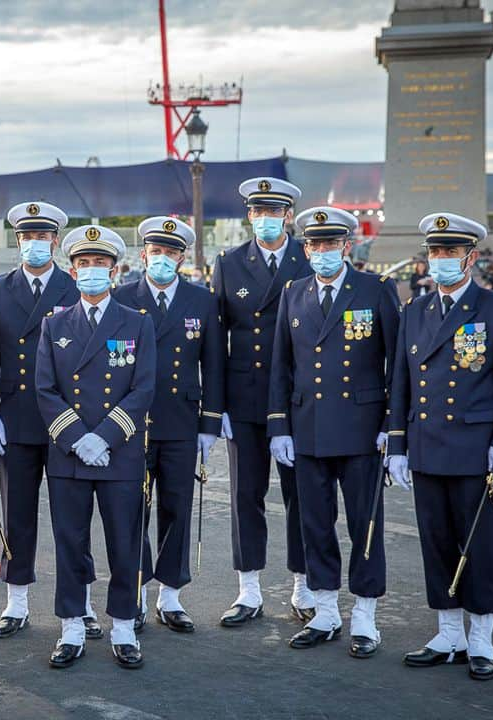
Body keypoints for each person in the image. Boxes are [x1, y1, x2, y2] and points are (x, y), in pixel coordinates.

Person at [386, 213, 493, 681]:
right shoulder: (414, 311)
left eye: (450, 253)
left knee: (478, 543)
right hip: (426, 445)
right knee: (435, 540)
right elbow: (401, 384)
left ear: (471, 258)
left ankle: (481, 637)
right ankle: (448, 631)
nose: (441, 261)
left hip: (476, 448)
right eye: (435, 253)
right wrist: (397, 443)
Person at [267, 207, 401, 658]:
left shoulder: (376, 289)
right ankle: (325, 609)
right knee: (315, 523)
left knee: (365, 525)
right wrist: (278, 426)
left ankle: (364, 614)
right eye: (314, 244)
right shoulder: (294, 292)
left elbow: (396, 364)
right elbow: (280, 365)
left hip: (363, 429)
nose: (322, 252)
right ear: (304, 248)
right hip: (308, 428)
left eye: (330, 244)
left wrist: (392, 427)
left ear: (347, 246)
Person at [36, 224, 156, 670]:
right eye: (83, 264)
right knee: (70, 542)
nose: (91, 271)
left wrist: (102, 437)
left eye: (100, 264)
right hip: (69, 454)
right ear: (72, 271)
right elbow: (45, 390)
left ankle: (124, 626)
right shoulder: (55, 324)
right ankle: (71, 626)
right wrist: (76, 439)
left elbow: (143, 388)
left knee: (124, 543)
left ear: (115, 270)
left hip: (119, 452)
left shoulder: (136, 323)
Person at [0, 201, 97, 639]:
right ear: (18, 241)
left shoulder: (74, 286)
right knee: (18, 515)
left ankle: (80, 602)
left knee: (74, 516)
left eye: (42, 236)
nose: (34, 243)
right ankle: (17, 601)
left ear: (55, 241)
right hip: (17, 418)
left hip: (68, 419)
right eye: (26, 237)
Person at [211, 177, 316, 627]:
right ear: (249, 216)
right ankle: (248, 589)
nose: (265, 219)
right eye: (257, 211)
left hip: (299, 398)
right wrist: (216, 409)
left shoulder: (309, 258)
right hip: (247, 398)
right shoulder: (229, 262)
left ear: (288, 215)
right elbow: (215, 344)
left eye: (273, 211)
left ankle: (303, 585)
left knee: (302, 496)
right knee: (245, 495)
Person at [113, 216, 225, 633]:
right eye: (156, 251)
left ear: (182, 258)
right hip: (133, 423)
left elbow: (213, 364)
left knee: (178, 508)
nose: (163, 258)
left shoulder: (202, 300)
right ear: (143, 254)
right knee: (132, 511)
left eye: (171, 252)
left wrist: (210, 423)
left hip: (181, 420)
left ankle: (171, 595)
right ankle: (138, 591)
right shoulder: (122, 296)